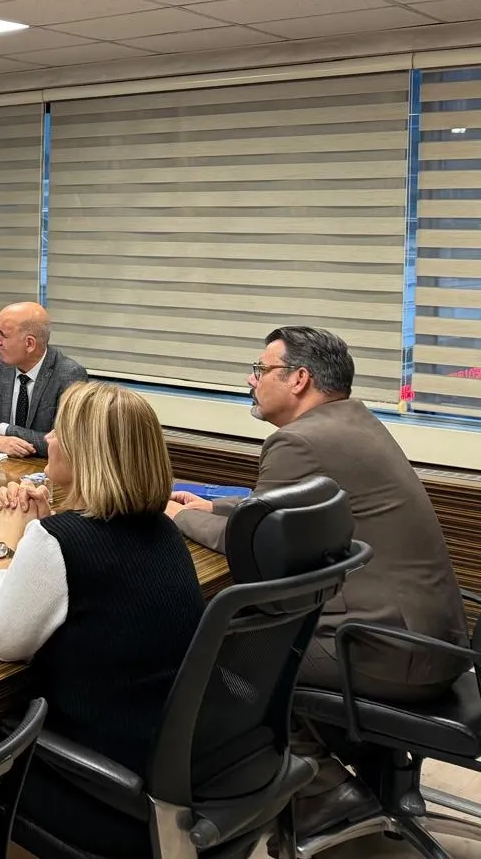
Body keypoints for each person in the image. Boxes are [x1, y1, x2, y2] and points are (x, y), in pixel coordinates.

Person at [167, 326, 467, 835]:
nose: (252, 380)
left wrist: (177, 516)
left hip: (388, 652)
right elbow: (283, 509)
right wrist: (212, 506)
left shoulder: (297, 441)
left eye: (261, 369)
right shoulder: (352, 422)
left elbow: (251, 545)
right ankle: (364, 772)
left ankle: (324, 788)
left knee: (222, 659)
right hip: (432, 637)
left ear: (299, 378)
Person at [0, 381, 204, 858]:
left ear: (86, 453)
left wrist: (6, 544)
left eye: (59, 432)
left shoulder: (59, 541)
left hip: (101, 784)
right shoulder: (163, 528)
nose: (47, 439)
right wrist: (44, 530)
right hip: (171, 761)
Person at [0, 302, 87, 457]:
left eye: (3, 335)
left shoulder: (69, 375)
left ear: (29, 344)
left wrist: (2, 428)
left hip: (43, 468)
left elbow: (66, 443)